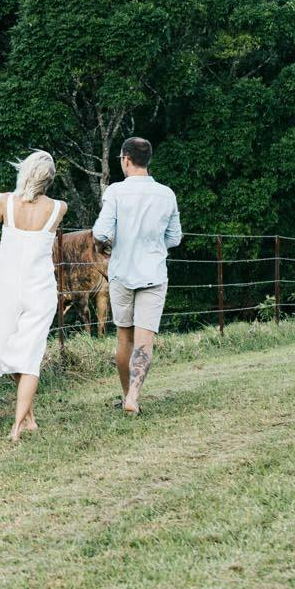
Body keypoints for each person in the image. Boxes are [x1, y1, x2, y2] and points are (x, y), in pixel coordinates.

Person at [92, 136, 181, 415]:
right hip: (153, 274)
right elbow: (175, 238)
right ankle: (134, 396)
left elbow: (101, 233)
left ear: (126, 159)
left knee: (124, 339)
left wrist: (106, 245)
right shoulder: (166, 194)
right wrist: (153, 247)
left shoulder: (116, 192)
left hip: (122, 273)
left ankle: (125, 395)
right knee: (144, 341)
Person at [0, 150, 62, 442]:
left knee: (13, 352)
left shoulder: (5, 202)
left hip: (10, 289)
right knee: (25, 355)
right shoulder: (58, 208)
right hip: (41, 289)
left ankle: (16, 427)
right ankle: (28, 420)